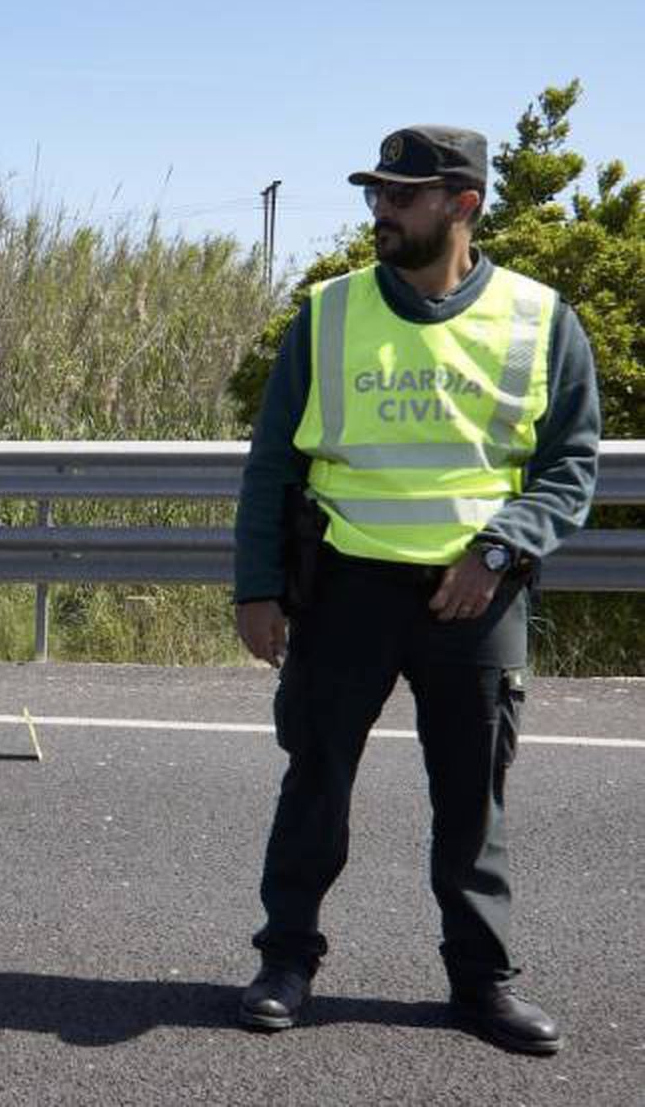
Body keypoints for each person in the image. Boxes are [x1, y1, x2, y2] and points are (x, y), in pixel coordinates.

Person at [230, 125, 601, 1056]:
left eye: (402, 195)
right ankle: (285, 961)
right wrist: (258, 587)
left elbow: (569, 467)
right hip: (343, 589)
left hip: (476, 600)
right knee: (314, 784)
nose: (381, 211)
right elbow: (273, 463)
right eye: (375, 194)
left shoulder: (539, 319)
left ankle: (483, 984)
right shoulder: (327, 313)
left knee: (472, 803)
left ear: (463, 204)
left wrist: (498, 554)